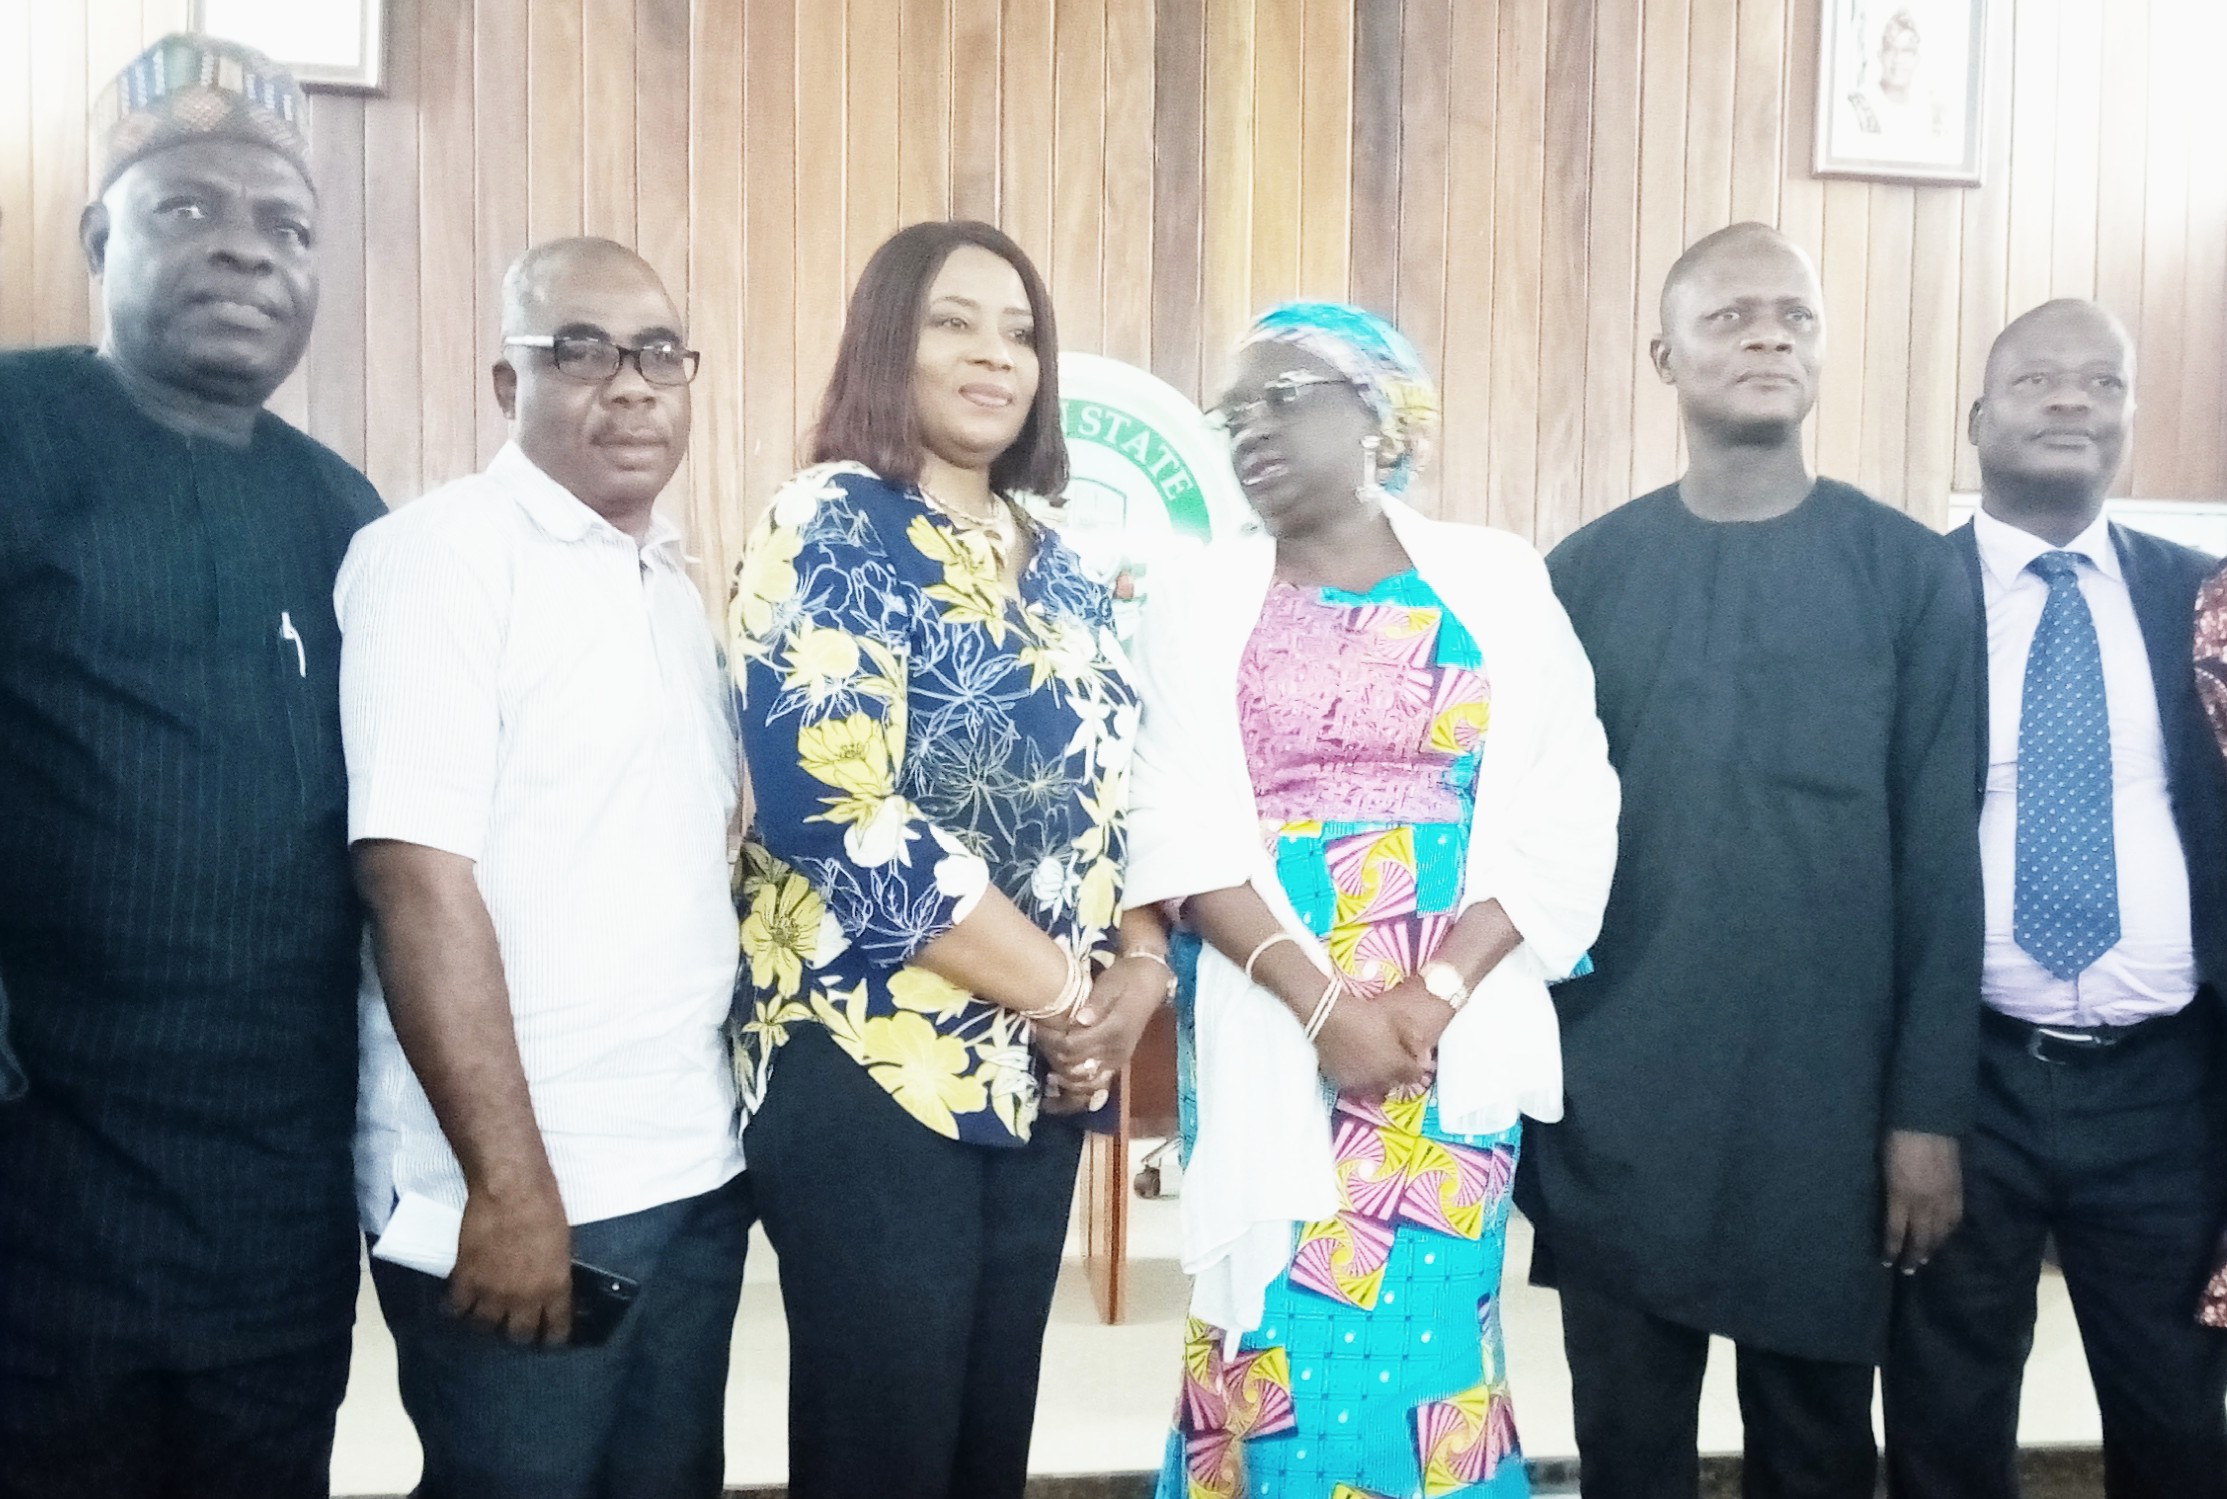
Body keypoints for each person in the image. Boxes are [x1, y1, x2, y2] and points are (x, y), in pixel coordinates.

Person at [1125, 302, 1618, 1499]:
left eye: (1284, 395)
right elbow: (1175, 824)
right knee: (1275, 1331)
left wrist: (1428, 994)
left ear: (1380, 413)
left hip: (1446, 1036)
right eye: (1234, 411)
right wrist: (1324, 1009)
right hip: (1267, 1010)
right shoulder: (1199, 599)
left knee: (1435, 1343)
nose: (1251, 426)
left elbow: (1571, 800)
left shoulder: (1495, 579)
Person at [1521, 222, 1983, 1499]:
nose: (1769, 333)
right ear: (1663, 354)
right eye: (1729, 315)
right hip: (1619, 1096)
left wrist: (1926, 1114)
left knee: (1819, 1454)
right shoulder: (1579, 578)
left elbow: (1941, 863)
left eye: (1795, 315)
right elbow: (1535, 847)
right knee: (1628, 1451)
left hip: (1828, 1112)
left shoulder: (1909, 573)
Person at [0, 36, 380, 1499]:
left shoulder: (345, 516)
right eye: (188, 209)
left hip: (272, 1198)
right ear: (99, 239)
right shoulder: (18, 435)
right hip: (41, 1177)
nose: (244, 248)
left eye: (286, 225)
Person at [726, 219, 1158, 1499]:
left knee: (984, 1448)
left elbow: (1120, 794)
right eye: (953, 323)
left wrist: (1132, 970)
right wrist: (1069, 992)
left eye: (1019, 333)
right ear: (887, 344)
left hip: (1035, 1075)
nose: (994, 356)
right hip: (869, 1057)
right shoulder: (832, 520)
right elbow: (831, 808)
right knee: (886, 1450)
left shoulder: (1064, 561)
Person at [340, 237, 748, 1499]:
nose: (628, 384)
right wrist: (509, 1186)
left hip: (688, 1168)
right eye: (579, 350)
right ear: (508, 384)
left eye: (658, 354)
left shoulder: (668, 584)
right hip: (528, 1188)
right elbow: (415, 879)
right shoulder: (442, 556)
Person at [1884, 300, 2227, 1499]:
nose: (2073, 398)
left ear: (2130, 419)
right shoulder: (1904, 592)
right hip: (1961, 1076)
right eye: (2038, 380)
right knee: (1943, 1414)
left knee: (2178, 1415)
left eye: (2103, 382)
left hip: (2166, 1086)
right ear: (1977, 418)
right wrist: (1908, 1103)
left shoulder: (2207, 596)